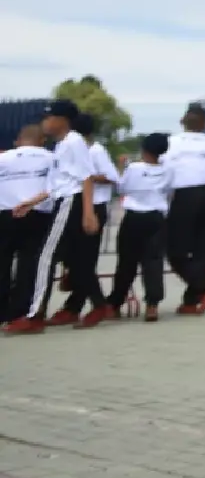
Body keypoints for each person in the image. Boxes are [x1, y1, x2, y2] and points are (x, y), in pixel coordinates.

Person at [2, 99, 96, 335]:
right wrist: (31, 202)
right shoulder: (61, 145)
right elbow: (57, 183)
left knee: (45, 257)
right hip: (62, 198)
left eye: (48, 118)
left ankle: (34, 316)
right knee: (53, 257)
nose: (44, 122)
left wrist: (88, 212)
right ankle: (40, 311)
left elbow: (85, 177)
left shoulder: (74, 142)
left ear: (61, 120)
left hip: (70, 201)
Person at [164, 102, 205, 315]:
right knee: (202, 249)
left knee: (175, 250)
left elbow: (165, 169)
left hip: (184, 194)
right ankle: (192, 299)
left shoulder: (171, 142)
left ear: (183, 121)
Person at [58, 112, 118, 329]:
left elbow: (112, 177)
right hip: (75, 206)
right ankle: (74, 306)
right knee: (74, 259)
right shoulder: (70, 149)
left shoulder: (95, 150)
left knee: (82, 261)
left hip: (93, 208)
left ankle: (97, 305)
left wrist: (87, 177)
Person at [108, 133, 175, 322]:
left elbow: (122, 189)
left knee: (126, 262)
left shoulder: (134, 168)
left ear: (144, 149)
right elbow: (170, 192)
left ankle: (115, 304)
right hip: (157, 217)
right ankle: (152, 305)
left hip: (134, 217)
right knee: (153, 262)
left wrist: (122, 167)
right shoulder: (169, 170)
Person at [0, 124, 56, 324]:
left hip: (5, 213)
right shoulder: (51, 158)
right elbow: (54, 188)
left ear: (18, 140)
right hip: (37, 212)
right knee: (29, 262)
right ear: (42, 141)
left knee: (3, 261)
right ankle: (20, 311)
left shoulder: (4, 158)